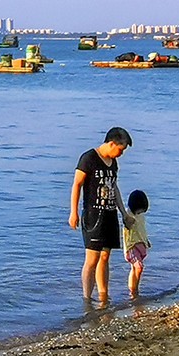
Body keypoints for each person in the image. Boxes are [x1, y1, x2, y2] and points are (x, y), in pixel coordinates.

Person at [70, 127, 133, 305]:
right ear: (112, 143)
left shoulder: (113, 163)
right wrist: (73, 212)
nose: (121, 153)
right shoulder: (88, 158)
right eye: (120, 149)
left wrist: (123, 213)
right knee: (92, 258)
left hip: (110, 214)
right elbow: (77, 185)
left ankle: (104, 295)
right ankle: (87, 298)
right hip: (93, 215)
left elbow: (114, 187)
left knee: (105, 256)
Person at [123, 189, 152, 299]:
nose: (140, 214)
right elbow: (127, 226)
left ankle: (134, 288)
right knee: (138, 267)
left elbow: (141, 229)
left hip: (140, 243)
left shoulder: (140, 216)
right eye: (139, 211)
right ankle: (133, 290)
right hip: (131, 245)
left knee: (135, 268)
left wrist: (146, 240)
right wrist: (129, 220)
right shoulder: (128, 215)